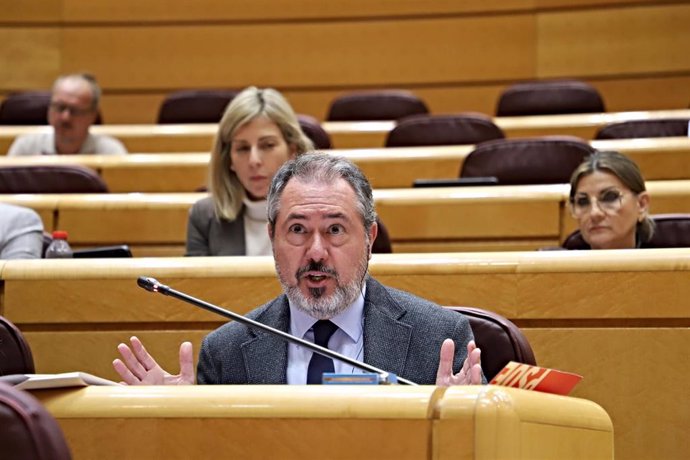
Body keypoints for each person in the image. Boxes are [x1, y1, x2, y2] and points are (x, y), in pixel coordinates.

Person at [114, 153, 484, 386]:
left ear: (370, 237)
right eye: (297, 230)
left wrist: (462, 421)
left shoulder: (437, 338)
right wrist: (177, 422)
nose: (316, 252)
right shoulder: (226, 354)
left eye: (335, 230)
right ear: (272, 236)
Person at [185, 86, 314, 257]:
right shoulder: (205, 217)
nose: (254, 160)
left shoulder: (325, 211)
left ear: (292, 152)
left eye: (267, 145)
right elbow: (194, 284)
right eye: (243, 148)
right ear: (229, 159)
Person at [7, 73, 127, 156]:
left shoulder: (111, 152)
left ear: (92, 116)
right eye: (59, 108)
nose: (65, 117)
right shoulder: (26, 147)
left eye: (75, 111)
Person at [567, 150, 653, 249]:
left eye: (610, 198)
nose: (594, 213)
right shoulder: (551, 262)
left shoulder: (670, 260)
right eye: (583, 202)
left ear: (642, 204)